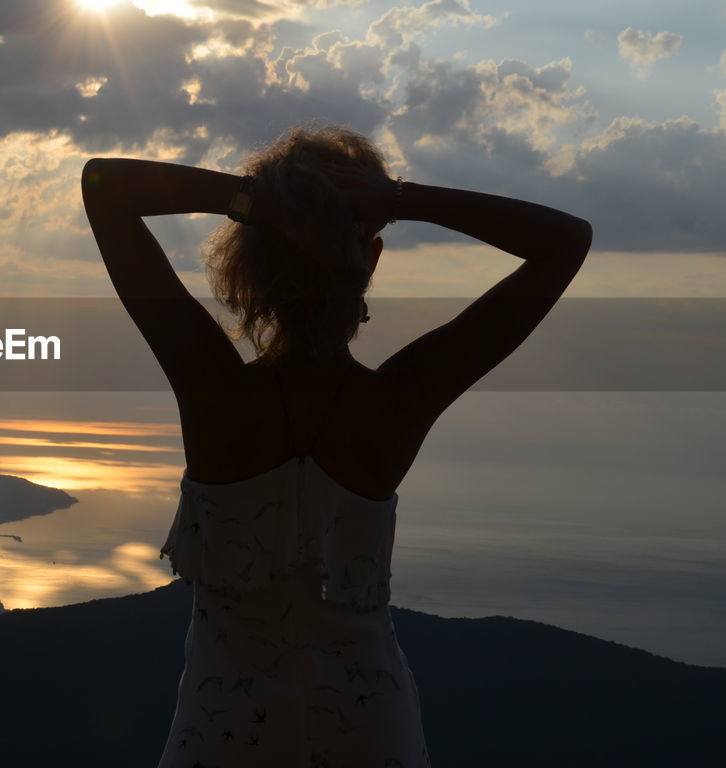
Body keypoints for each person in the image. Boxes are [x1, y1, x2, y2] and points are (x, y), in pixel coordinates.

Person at [80, 125, 592, 767]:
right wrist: (401, 198)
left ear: (250, 260)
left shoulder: (210, 387)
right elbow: (565, 242)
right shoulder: (401, 399)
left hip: (223, 731)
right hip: (372, 732)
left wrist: (257, 199)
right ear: (371, 258)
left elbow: (104, 184)